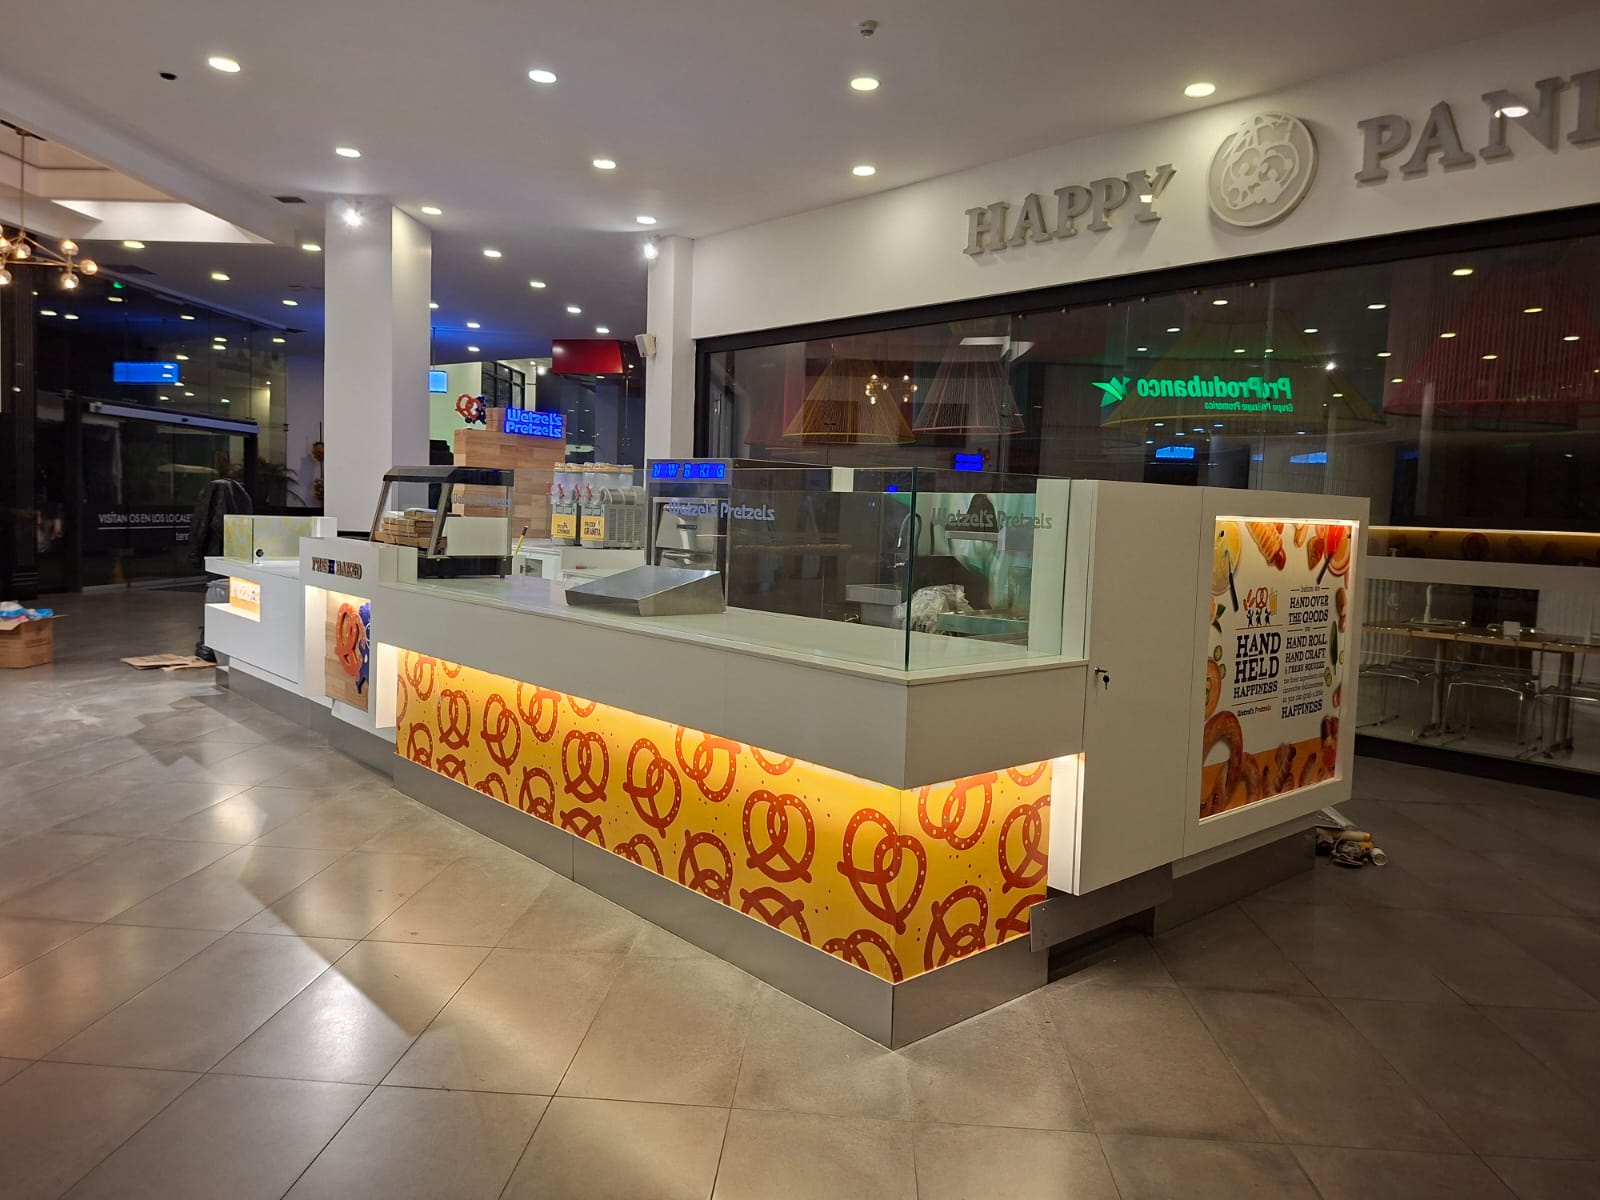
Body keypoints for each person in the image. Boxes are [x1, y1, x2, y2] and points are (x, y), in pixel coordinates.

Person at [187, 478, 251, 660]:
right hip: (236, 558)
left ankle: (211, 642)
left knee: (217, 597)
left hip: (216, 557)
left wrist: (195, 556)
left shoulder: (211, 499)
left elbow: (200, 529)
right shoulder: (241, 500)